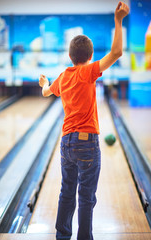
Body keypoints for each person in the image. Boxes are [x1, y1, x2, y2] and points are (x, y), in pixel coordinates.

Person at [39, 2, 129, 240]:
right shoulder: (88, 71)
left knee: (66, 192)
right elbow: (116, 53)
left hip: (66, 144)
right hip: (86, 143)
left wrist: (44, 83)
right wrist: (118, 21)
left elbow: (46, 92)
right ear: (89, 57)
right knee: (86, 197)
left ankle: (62, 236)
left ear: (70, 56)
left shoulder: (63, 76)